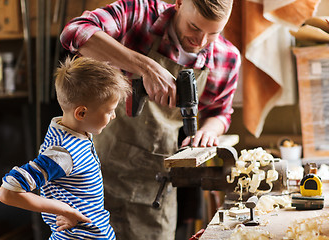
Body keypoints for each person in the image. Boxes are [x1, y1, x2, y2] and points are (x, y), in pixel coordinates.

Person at [60, 0, 241, 239]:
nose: (201, 41)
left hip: (151, 190)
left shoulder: (225, 57)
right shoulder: (139, 14)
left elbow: (220, 112)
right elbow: (75, 32)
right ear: (178, 3)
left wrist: (209, 130)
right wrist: (145, 66)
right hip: (90, 181)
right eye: (194, 27)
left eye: (213, 33)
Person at [0, 56, 131, 239]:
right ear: (81, 112)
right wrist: (65, 210)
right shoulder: (63, 152)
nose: (113, 116)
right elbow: (8, 192)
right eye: (109, 111)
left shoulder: (75, 131)